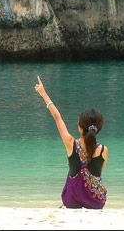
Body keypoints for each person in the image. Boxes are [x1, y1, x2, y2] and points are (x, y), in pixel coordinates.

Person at [34, 76, 108, 209]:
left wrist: (43, 93)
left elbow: (58, 118)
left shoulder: (70, 143)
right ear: (98, 129)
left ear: (80, 127)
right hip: (96, 202)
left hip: (72, 201)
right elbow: (98, 176)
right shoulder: (103, 150)